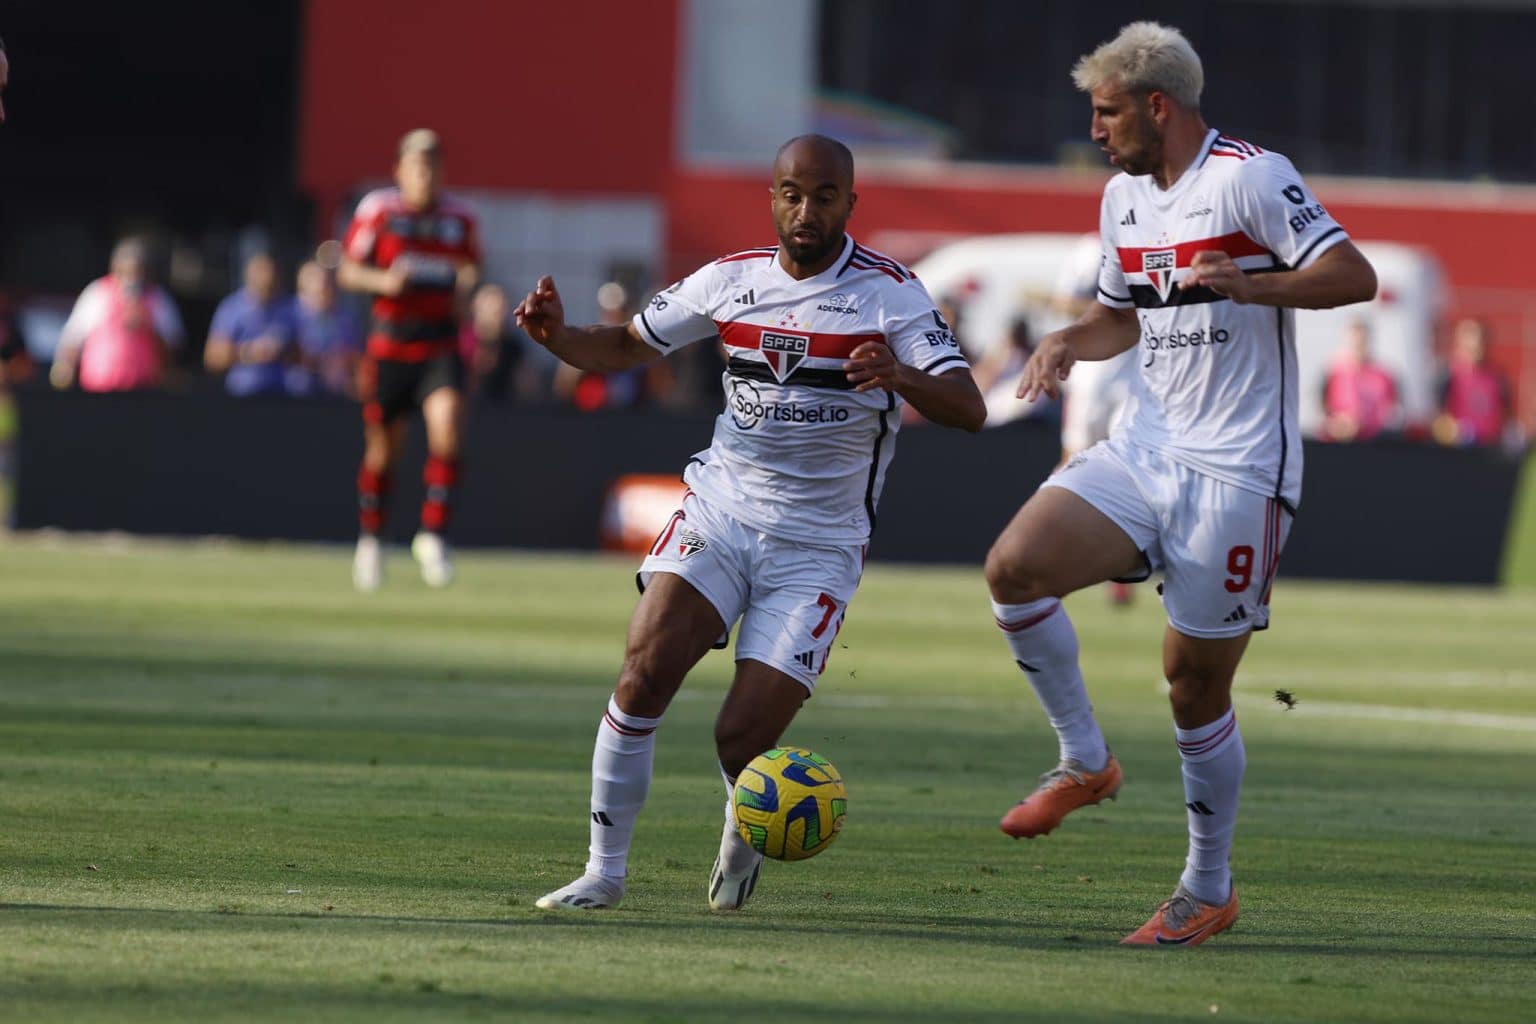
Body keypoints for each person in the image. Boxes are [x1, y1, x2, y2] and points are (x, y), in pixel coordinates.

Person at [517, 134, 985, 913]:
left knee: (741, 739)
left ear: (850, 204)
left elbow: (968, 407)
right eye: (792, 194)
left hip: (818, 550)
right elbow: (625, 348)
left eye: (825, 196)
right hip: (722, 515)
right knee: (642, 674)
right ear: (772, 197)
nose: (807, 211)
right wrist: (559, 338)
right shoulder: (727, 281)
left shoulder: (892, 296)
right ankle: (604, 872)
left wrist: (900, 376)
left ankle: (744, 834)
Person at [986, 22, 1375, 946]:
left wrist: (1254, 287)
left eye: (1106, 110)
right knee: (1014, 567)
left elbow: (1350, 274)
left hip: (1240, 468)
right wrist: (1063, 343)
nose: (1095, 130)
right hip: (1147, 447)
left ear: (1157, 106)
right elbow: (1120, 321)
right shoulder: (1124, 199)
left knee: (1192, 687)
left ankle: (1207, 889)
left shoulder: (1251, 175)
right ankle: (1084, 761)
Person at [338, 129, 480, 590]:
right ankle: (372, 540)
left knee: (449, 428)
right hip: (390, 346)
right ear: (400, 170)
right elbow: (347, 270)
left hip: (439, 343)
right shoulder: (379, 211)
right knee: (383, 452)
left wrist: (464, 286)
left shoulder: (459, 219)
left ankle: (433, 534)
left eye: (434, 165)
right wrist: (386, 283)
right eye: (418, 165)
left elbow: (472, 268)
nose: (426, 175)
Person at [50, 237, 186, 393]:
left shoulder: (157, 298)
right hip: (99, 390)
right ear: (114, 268)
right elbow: (72, 337)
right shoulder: (97, 292)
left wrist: (148, 326)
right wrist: (64, 366)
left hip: (145, 390)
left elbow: (175, 347)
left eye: (137, 271)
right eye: (125, 271)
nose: (131, 279)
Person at [203, 251, 297, 397]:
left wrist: (281, 352)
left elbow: (304, 352)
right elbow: (212, 358)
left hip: (283, 395)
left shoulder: (289, 308)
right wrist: (249, 352)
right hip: (242, 396)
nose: (266, 282)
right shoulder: (232, 308)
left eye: (271, 281)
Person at [1433, 318, 1511, 448]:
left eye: (1481, 342)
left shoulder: (1497, 377)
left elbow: (1507, 415)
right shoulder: (1449, 376)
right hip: (1458, 452)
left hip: (1490, 450)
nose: (1476, 347)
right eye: (1471, 342)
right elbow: (1437, 419)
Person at [291, 260, 363, 398]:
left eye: (327, 284)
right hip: (295, 393)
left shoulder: (346, 318)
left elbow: (355, 356)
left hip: (337, 392)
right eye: (316, 283)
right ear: (302, 288)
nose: (324, 288)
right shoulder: (289, 315)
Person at [1320, 319, 1400, 442]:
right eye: (1354, 341)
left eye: (1362, 341)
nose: (1358, 346)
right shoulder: (1333, 373)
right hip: (1340, 442)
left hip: (1375, 443)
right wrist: (1338, 425)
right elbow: (1323, 410)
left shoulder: (1384, 376)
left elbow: (1394, 411)